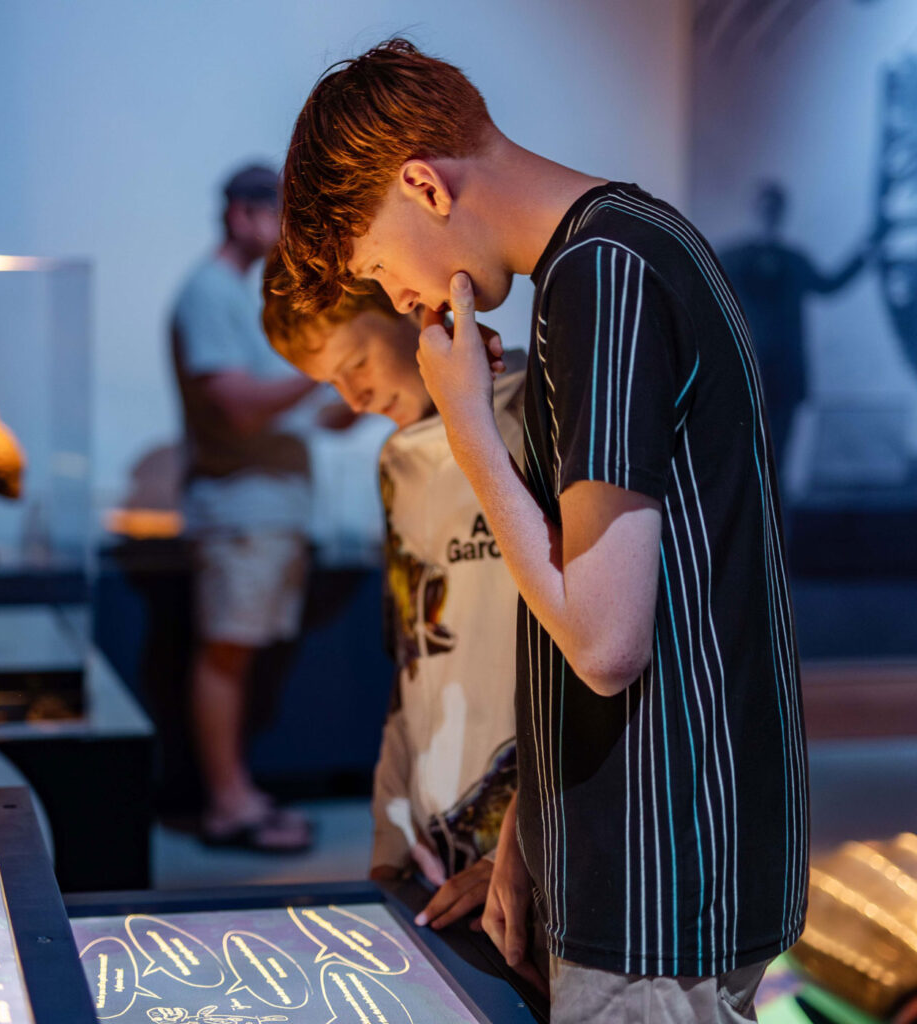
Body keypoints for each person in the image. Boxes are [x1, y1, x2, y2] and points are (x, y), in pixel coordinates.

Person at [278, 39, 808, 1022]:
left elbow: (605, 643)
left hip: (657, 869)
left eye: (385, 267)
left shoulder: (599, 276)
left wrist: (471, 425)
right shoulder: (624, 246)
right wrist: (529, 836)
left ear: (424, 186)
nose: (403, 300)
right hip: (646, 850)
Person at [262, 253, 525, 933]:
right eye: (331, 384)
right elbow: (410, 660)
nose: (352, 399)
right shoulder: (398, 463)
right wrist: (389, 831)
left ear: (404, 304)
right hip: (438, 837)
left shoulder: (537, 417)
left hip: (540, 837)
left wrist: (539, 845)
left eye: (354, 365)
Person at [171, 164, 316, 851]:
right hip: (239, 509)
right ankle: (228, 804)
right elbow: (237, 404)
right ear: (242, 214)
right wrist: (325, 362)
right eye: (279, 213)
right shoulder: (208, 293)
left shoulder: (242, 293)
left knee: (240, 654)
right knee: (225, 654)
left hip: (266, 510)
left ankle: (239, 792)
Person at [720, 181, 882, 472]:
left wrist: (863, 254)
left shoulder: (788, 260)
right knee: (747, 455)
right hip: (750, 370)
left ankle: (773, 514)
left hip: (782, 372)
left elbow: (829, 285)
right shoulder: (735, 259)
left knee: (777, 456)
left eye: (773, 209)